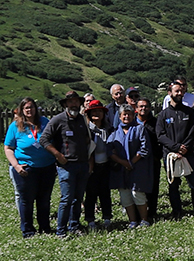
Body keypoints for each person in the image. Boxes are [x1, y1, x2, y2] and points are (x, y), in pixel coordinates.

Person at [38, 90, 91, 236]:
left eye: (76, 101)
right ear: (65, 104)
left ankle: (74, 226)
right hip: (66, 166)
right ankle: (61, 230)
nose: (74, 104)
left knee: (78, 198)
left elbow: (87, 138)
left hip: (82, 164)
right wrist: (57, 154)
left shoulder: (81, 119)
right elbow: (44, 140)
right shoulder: (57, 120)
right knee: (66, 198)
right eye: (70, 102)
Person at [5, 97, 56, 237]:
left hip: (47, 167)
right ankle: (28, 230)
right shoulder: (15, 126)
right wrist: (16, 166)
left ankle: (45, 228)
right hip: (26, 169)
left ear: (36, 108)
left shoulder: (45, 122)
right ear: (22, 110)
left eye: (31, 107)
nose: (29, 110)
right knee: (26, 201)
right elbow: (8, 148)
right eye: (26, 108)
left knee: (44, 200)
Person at [157, 79, 194, 220]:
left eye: (181, 91)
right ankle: (177, 211)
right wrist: (176, 148)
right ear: (169, 93)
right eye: (176, 91)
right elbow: (160, 135)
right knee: (173, 185)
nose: (180, 93)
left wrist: (185, 147)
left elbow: (193, 131)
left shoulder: (190, 113)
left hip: (188, 153)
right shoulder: (163, 115)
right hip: (171, 155)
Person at [108, 104, 154, 228]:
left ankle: (144, 220)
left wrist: (131, 162)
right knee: (125, 195)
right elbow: (109, 149)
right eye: (124, 114)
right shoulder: (115, 132)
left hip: (138, 167)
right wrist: (123, 162)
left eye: (129, 114)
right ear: (120, 116)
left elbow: (144, 148)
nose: (127, 116)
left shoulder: (139, 129)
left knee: (137, 193)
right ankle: (132, 221)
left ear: (134, 115)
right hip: (121, 169)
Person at [83, 99, 115, 230]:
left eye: (99, 111)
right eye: (93, 111)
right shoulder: (86, 130)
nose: (97, 114)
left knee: (105, 193)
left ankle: (107, 218)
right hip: (92, 167)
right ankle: (90, 220)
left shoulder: (108, 129)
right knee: (91, 194)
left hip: (106, 165)